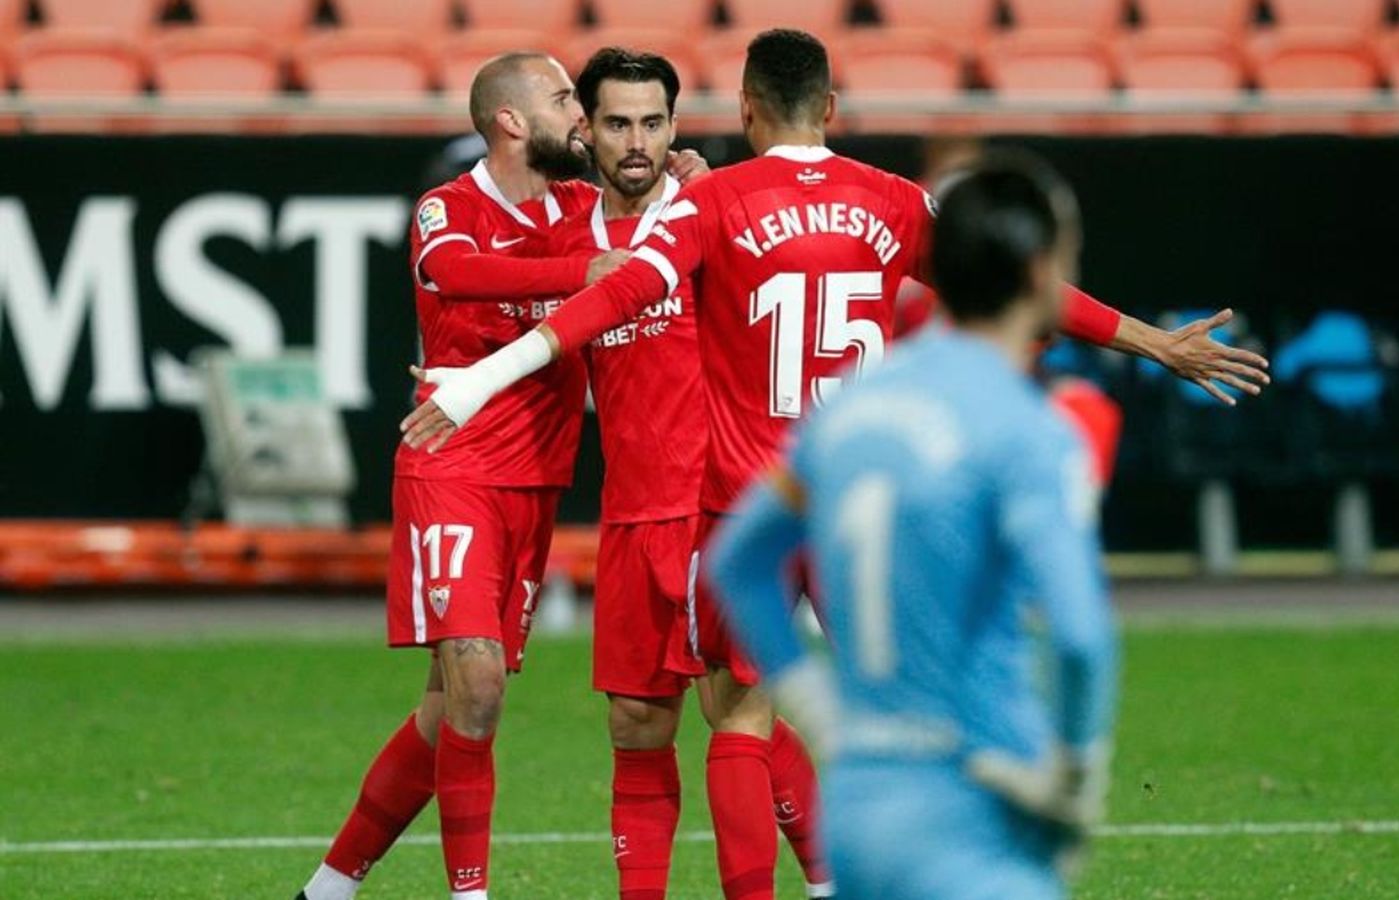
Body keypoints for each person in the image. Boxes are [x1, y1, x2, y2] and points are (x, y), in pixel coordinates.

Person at [399, 29, 1262, 899]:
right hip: (865, 505)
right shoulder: (892, 201)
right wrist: (1154, 342)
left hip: (751, 499)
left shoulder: (715, 201)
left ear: (743, 109)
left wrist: (480, 379)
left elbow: (618, 294)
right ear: (833, 109)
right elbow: (1016, 290)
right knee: (907, 717)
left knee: (740, 717)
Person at [294, 51, 704, 900]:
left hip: (537, 483)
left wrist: (693, 177)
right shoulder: (450, 208)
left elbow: (661, 218)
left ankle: (329, 887)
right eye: (566, 102)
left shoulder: (588, 208)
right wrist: (575, 274)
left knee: (447, 712)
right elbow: (453, 274)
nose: (584, 120)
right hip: (453, 468)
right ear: (513, 121)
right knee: (476, 686)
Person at [710, 154, 1118, 899]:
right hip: (974, 796)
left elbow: (736, 564)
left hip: (861, 807)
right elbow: (1081, 638)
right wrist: (1077, 775)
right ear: (1040, 274)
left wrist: (820, 711)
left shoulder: (845, 415)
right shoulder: (1030, 427)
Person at [556, 47, 834, 899]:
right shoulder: (570, 238)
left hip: (712, 504)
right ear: (588, 132)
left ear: (676, 127)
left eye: (652, 122)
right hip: (631, 510)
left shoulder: (712, 214)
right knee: (637, 723)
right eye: (617, 123)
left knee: (730, 713)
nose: (637, 142)